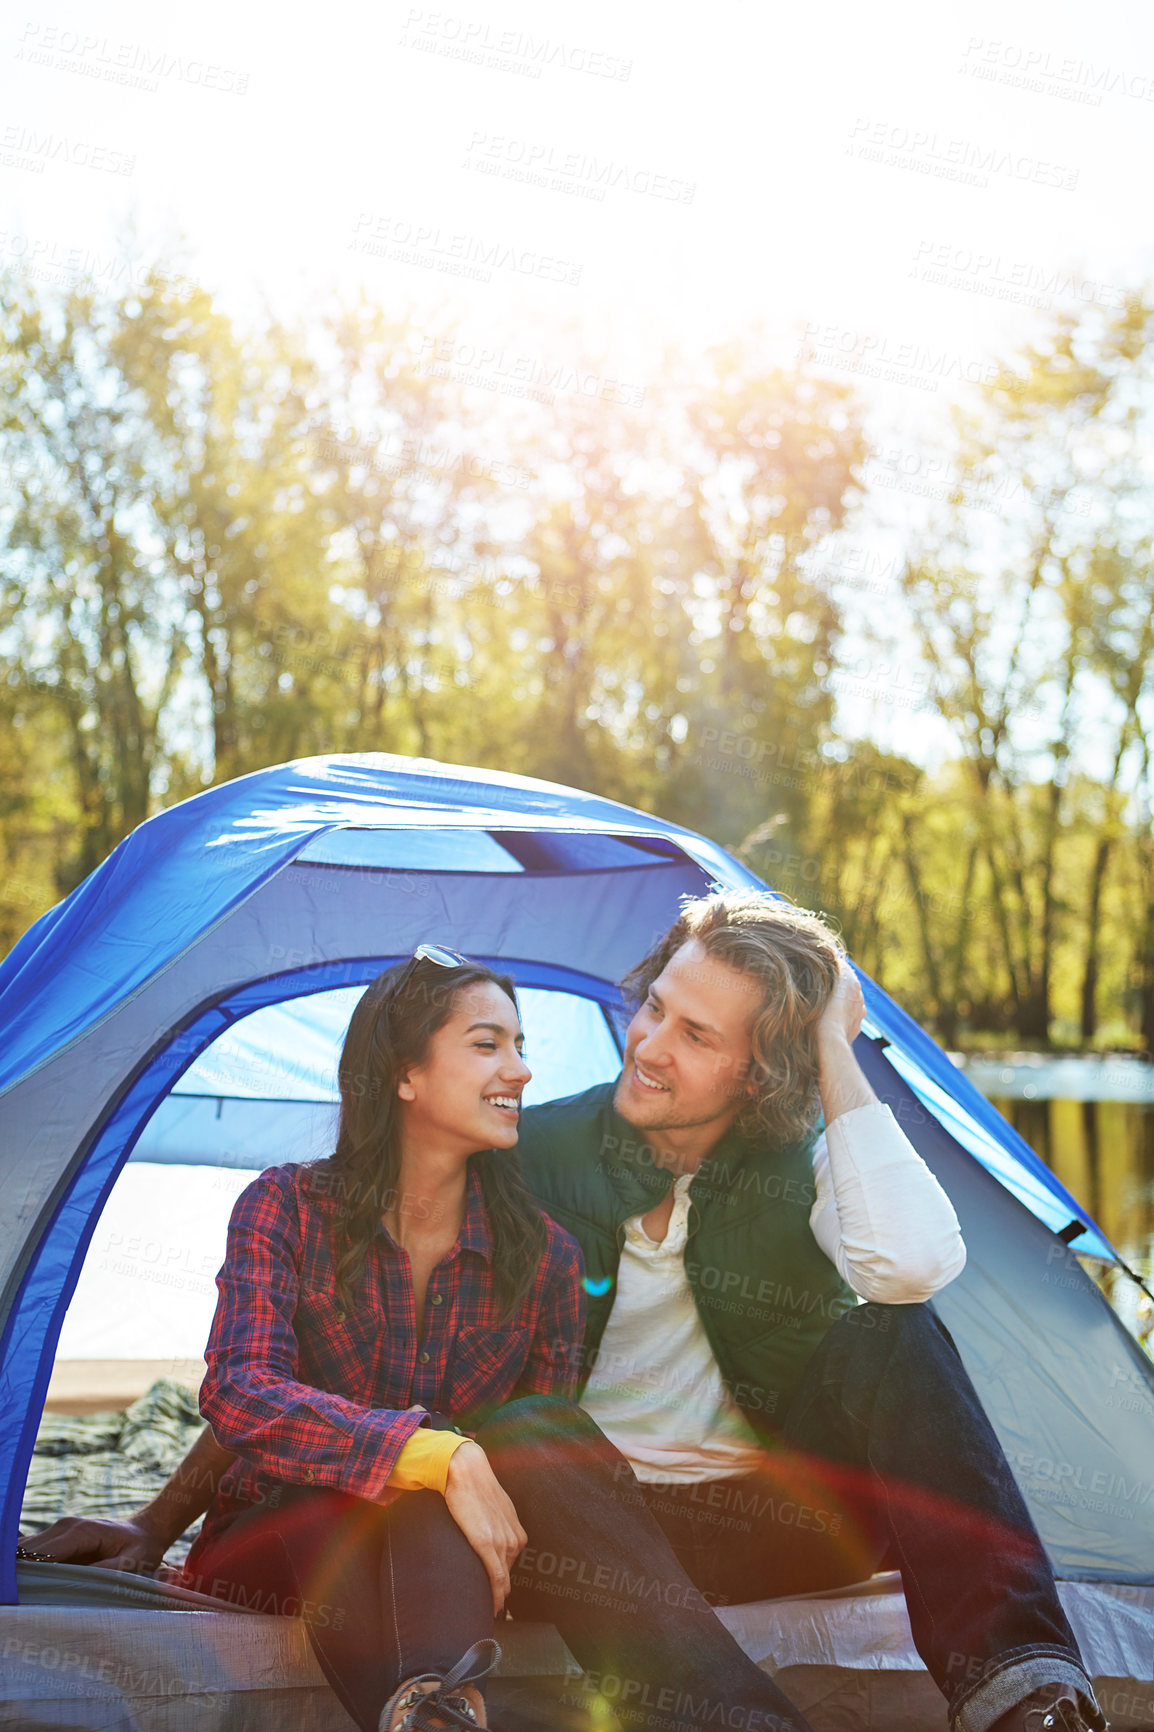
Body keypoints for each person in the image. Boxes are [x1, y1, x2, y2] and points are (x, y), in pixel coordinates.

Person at [25, 895, 1107, 1732]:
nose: (646, 1042)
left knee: (895, 1332)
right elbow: (296, 1368)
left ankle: (1024, 1694)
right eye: (652, 1008)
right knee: (515, 1433)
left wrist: (835, 1050)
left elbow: (911, 1266)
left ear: (756, 1066)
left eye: (693, 1034)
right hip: (588, 1527)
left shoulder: (788, 1169)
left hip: (776, 1525)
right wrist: (159, 1523)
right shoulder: (517, 1157)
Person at [118, 949, 586, 1732]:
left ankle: (432, 1712)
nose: (522, 1071)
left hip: (447, 1562)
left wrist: (444, 1466)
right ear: (405, 1075)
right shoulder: (285, 1206)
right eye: (487, 1044)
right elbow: (240, 1392)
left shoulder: (547, 1260)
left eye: (521, 1045)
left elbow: (535, 1457)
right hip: (276, 1537)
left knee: (428, 1495)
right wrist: (431, 1453)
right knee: (377, 1480)